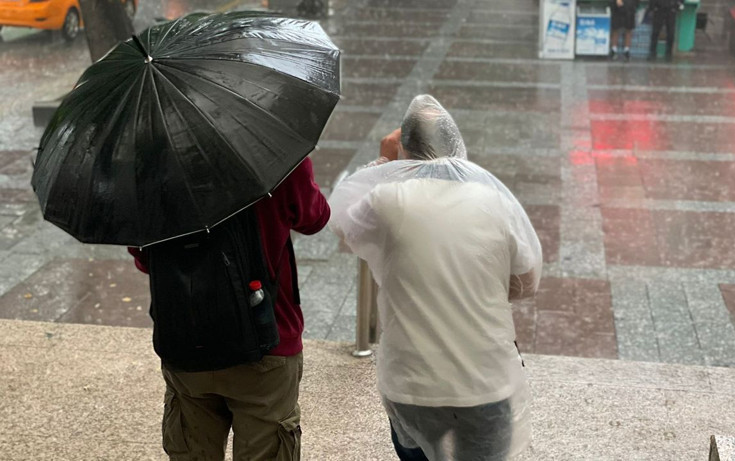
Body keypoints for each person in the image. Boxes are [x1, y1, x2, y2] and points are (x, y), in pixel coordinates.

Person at [328, 95, 542, 461]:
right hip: (486, 381)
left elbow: (341, 220)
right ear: (456, 145)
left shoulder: (387, 200)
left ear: (406, 152)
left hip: (412, 386)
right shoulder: (493, 199)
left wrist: (383, 161)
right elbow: (526, 283)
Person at [128, 157, 330, 460]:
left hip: (186, 340)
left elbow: (145, 259)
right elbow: (315, 218)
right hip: (268, 340)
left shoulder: (149, 162)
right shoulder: (275, 153)